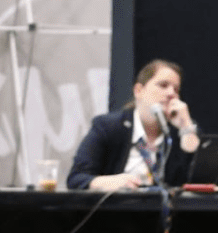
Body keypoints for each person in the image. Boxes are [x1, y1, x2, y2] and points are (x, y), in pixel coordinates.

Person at [67, 59, 200, 191]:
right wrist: (109, 181)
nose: (171, 94)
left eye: (176, 89)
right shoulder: (108, 126)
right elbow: (76, 178)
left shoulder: (179, 133)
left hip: (163, 210)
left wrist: (186, 127)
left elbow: (198, 184)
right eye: (163, 85)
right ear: (138, 91)